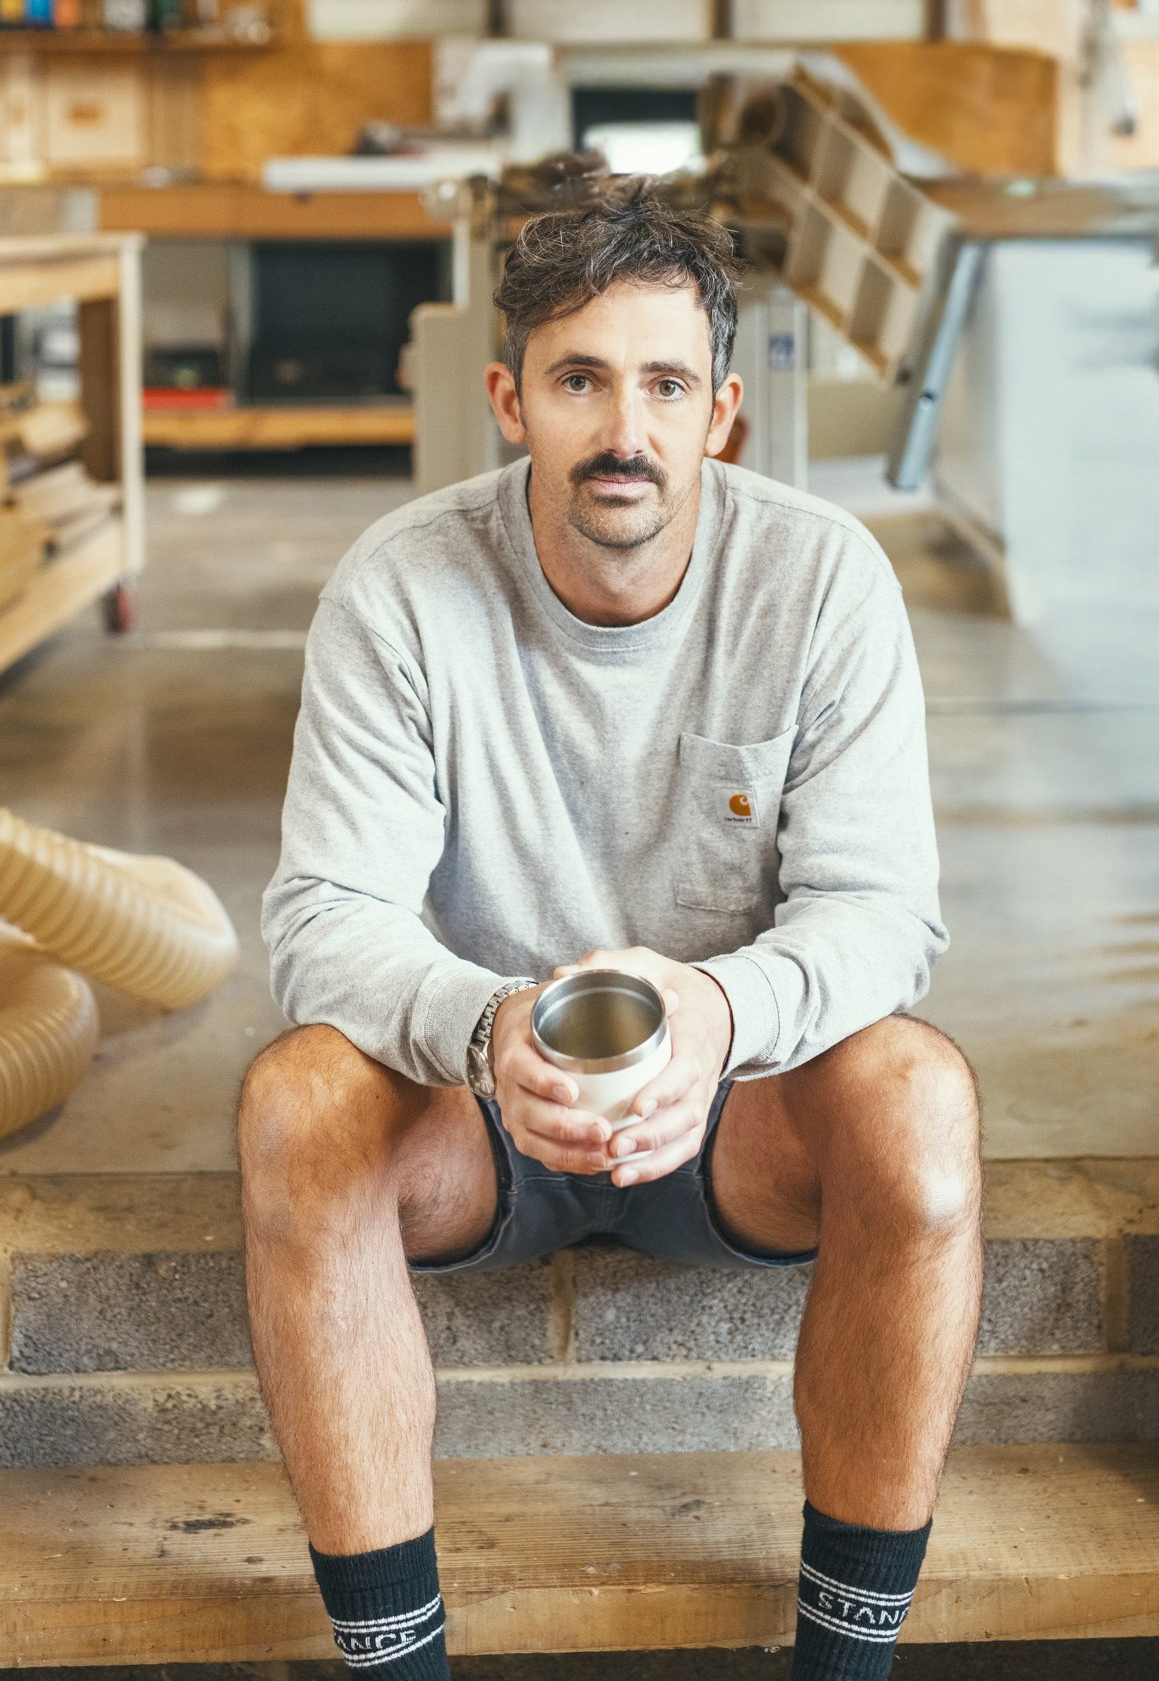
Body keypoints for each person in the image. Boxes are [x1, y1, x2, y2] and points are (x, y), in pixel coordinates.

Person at [244, 185, 983, 1681]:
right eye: (581, 379)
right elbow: (325, 915)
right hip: (479, 1107)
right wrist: (480, 1026)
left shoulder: (823, 578)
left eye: (660, 384)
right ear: (513, 398)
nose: (622, 429)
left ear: (722, 413)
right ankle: (396, 1665)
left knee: (920, 1097)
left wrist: (717, 1012)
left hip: (738, 1113)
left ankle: (844, 1668)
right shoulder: (400, 589)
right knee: (295, 1103)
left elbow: (884, 915)